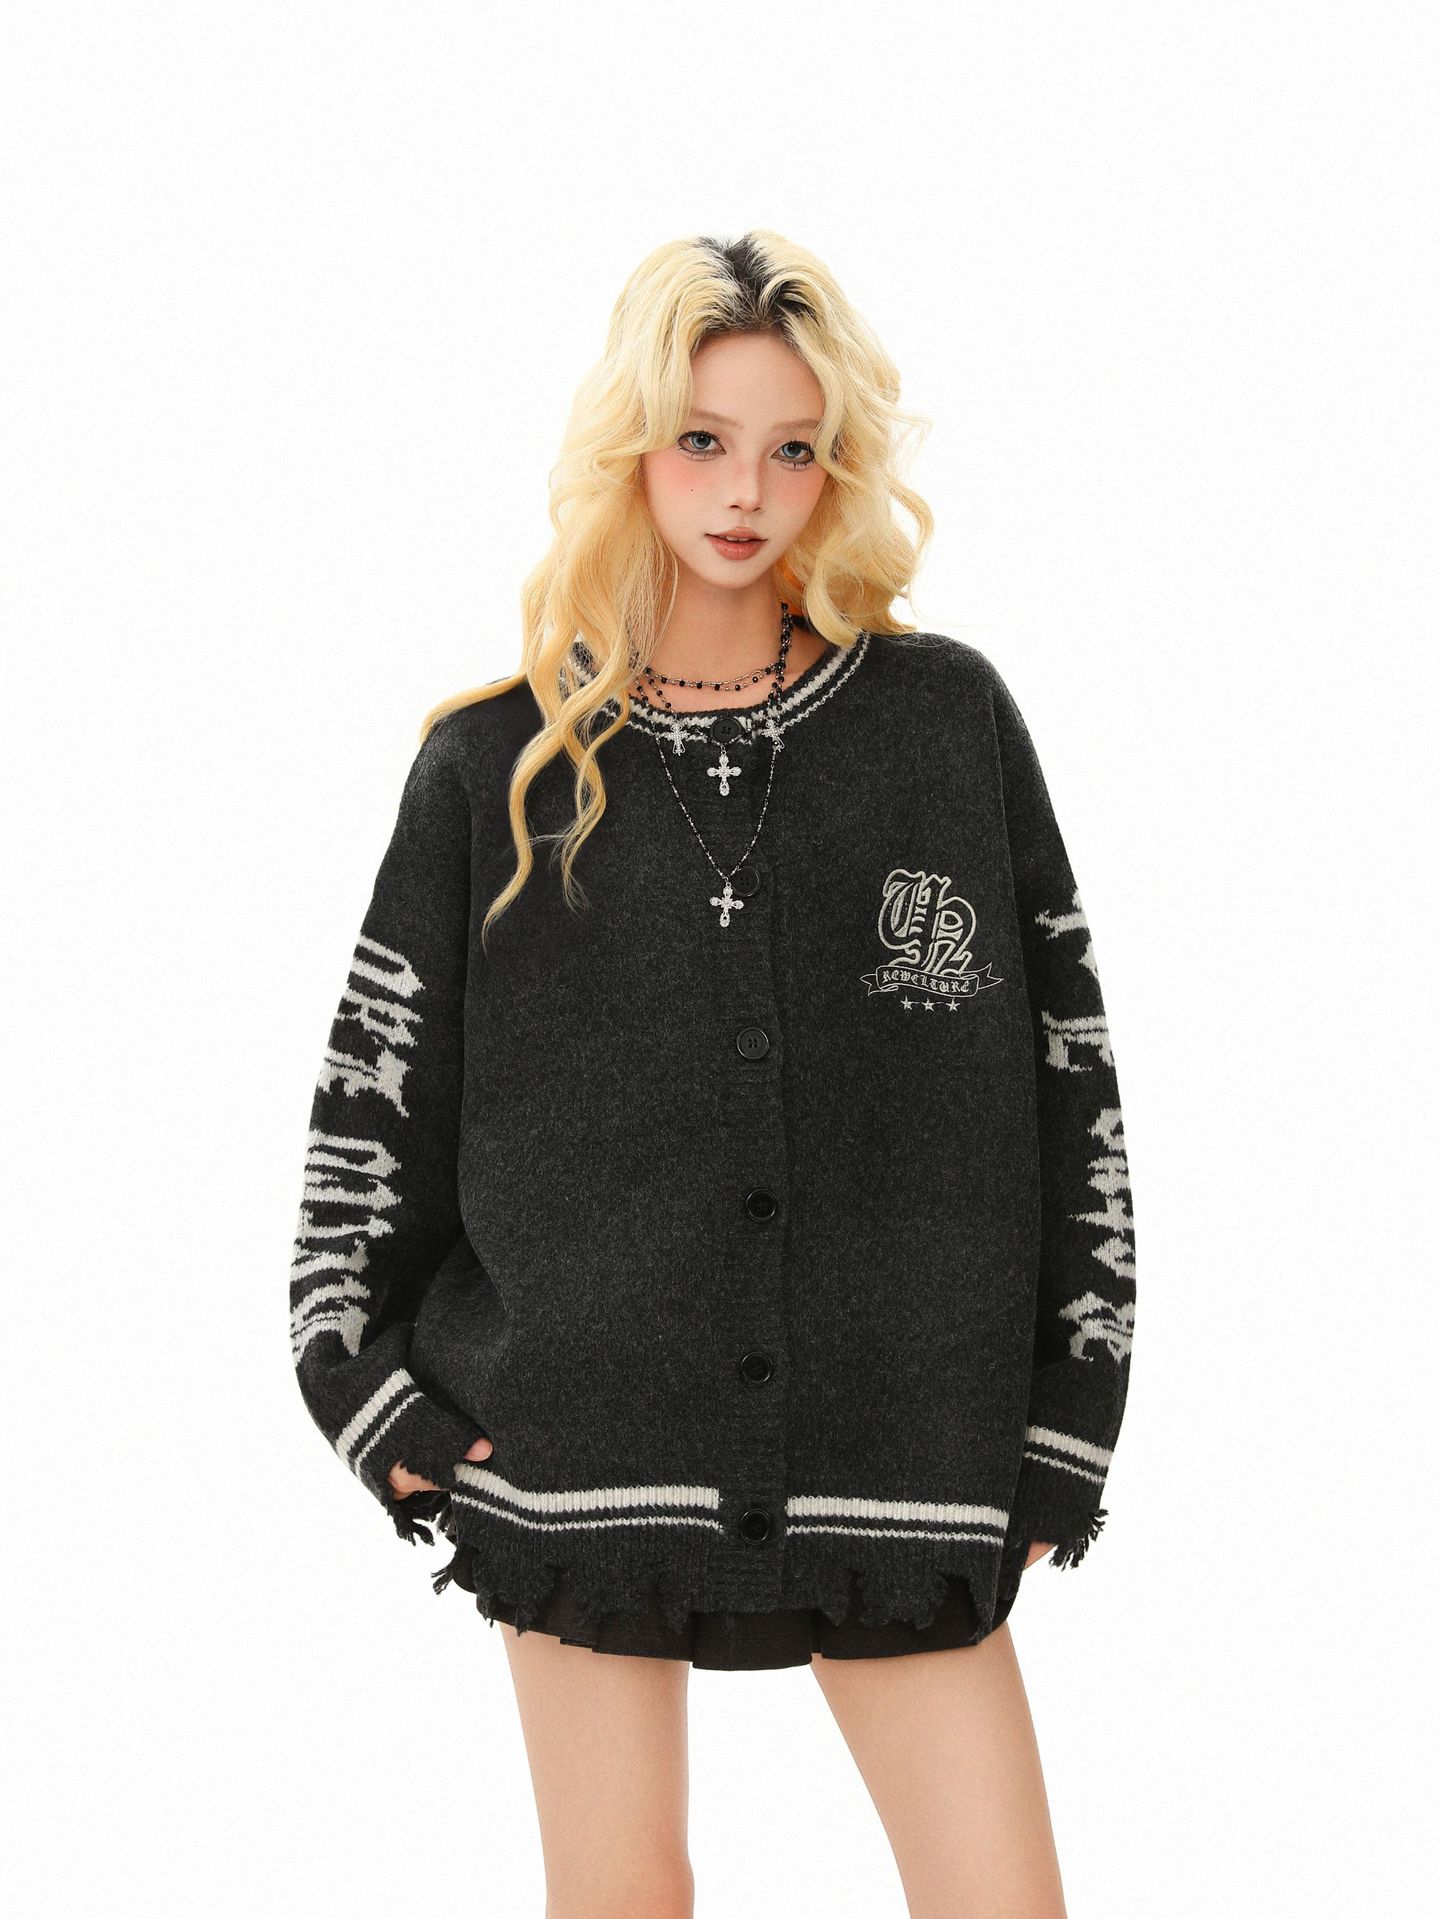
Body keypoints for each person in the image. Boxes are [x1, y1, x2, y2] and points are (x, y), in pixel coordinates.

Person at [287, 228, 1137, 1919]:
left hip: (902, 1442)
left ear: (837, 468)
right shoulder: (493, 768)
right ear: (632, 445)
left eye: (792, 449)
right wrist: (363, 1391)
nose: (747, 491)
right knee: (622, 1897)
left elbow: (1072, 1089)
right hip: (580, 1452)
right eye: (703, 439)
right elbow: (371, 1112)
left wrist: (1073, 1404)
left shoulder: (943, 723)